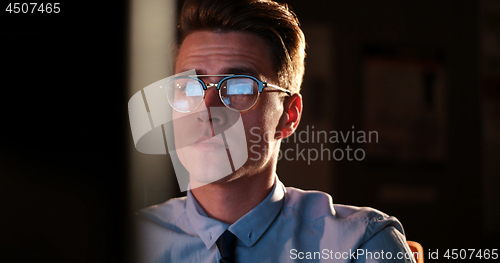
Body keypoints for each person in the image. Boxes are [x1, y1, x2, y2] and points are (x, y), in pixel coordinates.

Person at [135, 0, 416, 262]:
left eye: (240, 87)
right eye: (188, 87)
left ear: (288, 116)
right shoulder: (128, 241)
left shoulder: (359, 246)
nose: (208, 109)